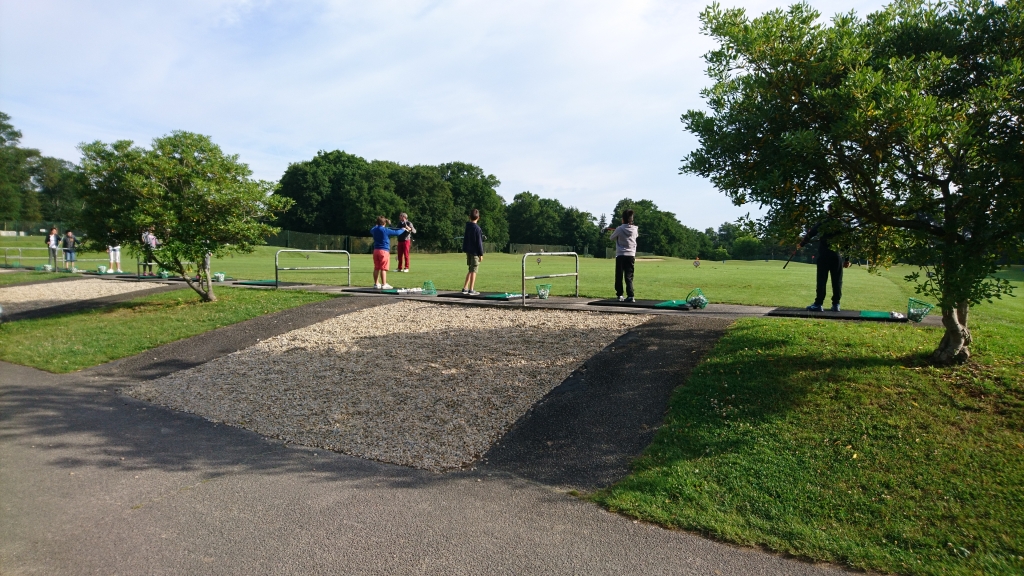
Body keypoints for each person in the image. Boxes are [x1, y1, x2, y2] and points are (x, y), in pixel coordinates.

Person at [799, 204, 851, 312]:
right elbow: (847, 243)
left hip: (824, 256)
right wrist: (847, 259)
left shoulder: (823, 222)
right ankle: (836, 304)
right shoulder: (842, 225)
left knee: (821, 280)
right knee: (837, 281)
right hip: (836, 256)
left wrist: (801, 244)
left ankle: (818, 304)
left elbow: (811, 233)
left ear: (829, 210)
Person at [369, 216, 409, 289]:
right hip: (384, 251)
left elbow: (372, 229)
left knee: (376, 268)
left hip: (376, 250)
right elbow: (397, 232)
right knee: (383, 268)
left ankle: (376, 284)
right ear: (384, 223)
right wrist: (403, 229)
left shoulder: (374, 229)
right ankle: (384, 284)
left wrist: (377, 225)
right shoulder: (385, 230)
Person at [608, 209, 639, 302]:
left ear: (623, 219)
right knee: (629, 276)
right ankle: (631, 295)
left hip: (621, 255)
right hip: (631, 255)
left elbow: (611, 238)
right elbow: (636, 235)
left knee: (619, 275)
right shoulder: (635, 229)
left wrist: (618, 231)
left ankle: (620, 295)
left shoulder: (619, 229)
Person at [462, 209, 484, 295]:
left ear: (469, 217)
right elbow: (479, 243)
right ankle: (471, 289)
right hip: (475, 252)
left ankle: (465, 288)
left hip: (468, 251)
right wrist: (481, 254)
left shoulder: (468, 227)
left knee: (470, 269)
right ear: (478, 218)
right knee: (474, 270)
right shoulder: (477, 228)